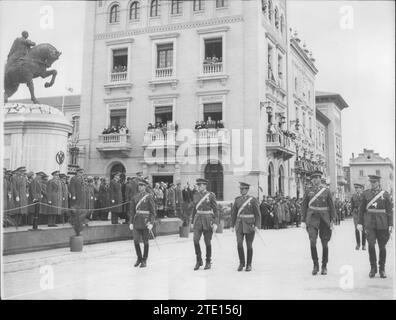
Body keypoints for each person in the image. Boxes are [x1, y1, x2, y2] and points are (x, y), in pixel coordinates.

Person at [357, 175, 393, 278]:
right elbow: (361, 210)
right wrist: (360, 223)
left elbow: (389, 211)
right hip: (370, 224)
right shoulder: (366, 194)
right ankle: (373, 268)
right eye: (371, 182)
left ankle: (382, 269)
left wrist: (391, 224)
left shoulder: (385, 195)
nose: (372, 184)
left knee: (382, 247)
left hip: (383, 224)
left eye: (374, 182)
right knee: (371, 245)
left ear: (378, 183)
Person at [301, 170, 335, 276]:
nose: (315, 180)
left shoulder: (326, 191)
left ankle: (324, 266)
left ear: (321, 179)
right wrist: (303, 220)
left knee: (325, 244)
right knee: (312, 242)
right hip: (312, 219)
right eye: (313, 178)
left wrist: (332, 220)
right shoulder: (308, 191)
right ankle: (315, 265)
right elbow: (304, 206)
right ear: (311, 180)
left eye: (317, 178)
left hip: (325, 219)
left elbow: (332, 206)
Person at [231, 182, 261, 271]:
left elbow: (257, 214)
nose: (241, 190)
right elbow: (234, 213)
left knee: (249, 245)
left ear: (247, 189)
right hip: (239, 224)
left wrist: (257, 225)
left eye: (243, 189)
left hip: (249, 225)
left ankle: (249, 264)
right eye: (240, 189)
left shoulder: (253, 200)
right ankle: (241, 263)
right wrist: (232, 225)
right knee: (239, 244)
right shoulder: (237, 200)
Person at [191, 178, 219, 270]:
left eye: (201, 185)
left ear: (205, 185)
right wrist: (192, 221)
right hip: (198, 220)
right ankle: (199, 260)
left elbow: (216, 210)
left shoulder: (211, 195)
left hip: (208, 220)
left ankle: (208, 261)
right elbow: (194, 209)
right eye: (198, 185)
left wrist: (215, 223)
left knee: (207, 242)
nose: (199, 186)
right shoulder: (195, 195)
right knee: (195, 240)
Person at [129, 179, 156, 268]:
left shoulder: (149, 197)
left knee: (145, 242)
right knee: (136, 240)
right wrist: (131, 222)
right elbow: (132, 211)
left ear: (145, 186)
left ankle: (144, 260)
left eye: (142, 185)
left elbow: (153, 212)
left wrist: (151, 223)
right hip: (136, 222)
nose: (140, 187)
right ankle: (139, 258)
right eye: (139, 185)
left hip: (146, 222)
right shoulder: (135, 197)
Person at [351, 183, 365, 250]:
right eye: (355, 188)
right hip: (356, 214)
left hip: (363, 214)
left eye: (357, 188)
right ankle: (358, 244)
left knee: (363, 229)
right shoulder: (353, 196)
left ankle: (364, 245)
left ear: (361, 188)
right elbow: (352, 206)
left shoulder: (364, 196)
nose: (356, 190)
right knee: (356, 229)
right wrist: (353, 212)